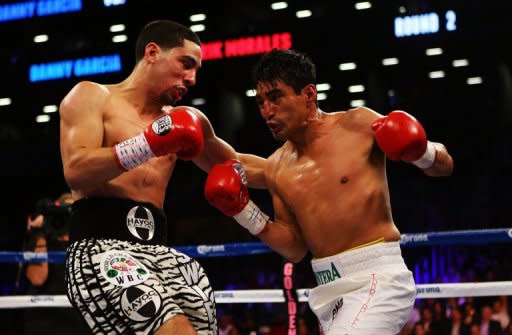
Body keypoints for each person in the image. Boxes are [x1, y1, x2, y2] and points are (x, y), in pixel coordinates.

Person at [204, 49, 454, 334]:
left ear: (309, 95)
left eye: (275, 97)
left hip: (378, 279)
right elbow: (295, 248)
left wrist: (421, 151)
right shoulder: (277, 167)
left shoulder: (357, 125)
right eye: (261, 102)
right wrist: (244, 212)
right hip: (327, 291)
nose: (266, 111)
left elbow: (444, 165)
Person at [60, 20, 247, 334]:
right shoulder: (93, 96)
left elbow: (238, 166)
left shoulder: (184, 121)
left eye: (197, 70)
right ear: (152, 53)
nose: (192, 78)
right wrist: (147, 143)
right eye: (186, 64)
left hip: (160, 251)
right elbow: (76, 170)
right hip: (102, 248)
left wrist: (294, 172)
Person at [23, 192, 89, 335]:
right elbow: (37, 279)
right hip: (44, 320)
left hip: (80, 322)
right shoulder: (42, 241)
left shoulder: (89, 245)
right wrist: (40, 233)